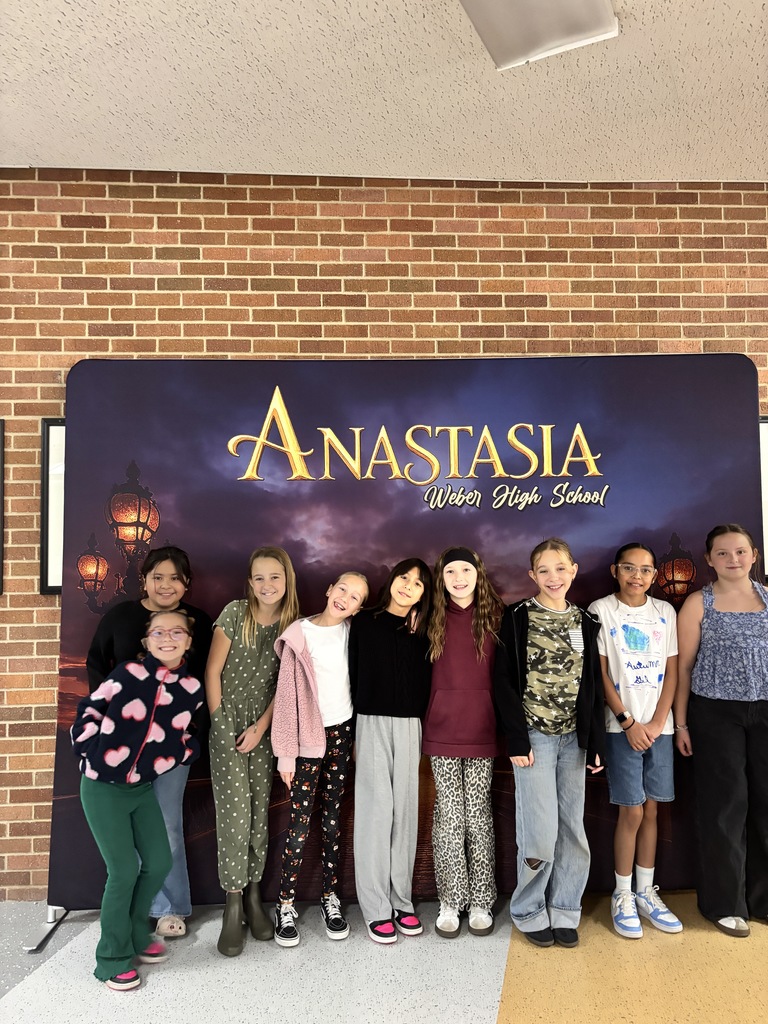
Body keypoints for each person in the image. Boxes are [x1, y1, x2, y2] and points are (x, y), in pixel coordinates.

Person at [72, 609, 204, 990]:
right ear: (146, 640)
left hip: (142, 788)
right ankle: (111, 958)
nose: (168, 637)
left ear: (188, 641)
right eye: (158, 632)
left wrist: (182, 753)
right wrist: (90, 755)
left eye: (176, 631)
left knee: (160, 861)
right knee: (124, 870)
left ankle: (135, 930)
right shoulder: (127, 674)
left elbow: (184, 736)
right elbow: (89, 713)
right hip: (102, 788)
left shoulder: (191, 689)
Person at [85, 545, 213, 939]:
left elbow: (210, 680)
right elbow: (95, 664)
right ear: (144, 580)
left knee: (167, 823)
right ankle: (139, 906)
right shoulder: (120, 618)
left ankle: (170, 908)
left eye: (175, 577)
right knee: (129, 829)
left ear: (186, 583)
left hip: (174, 747)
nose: (167, 585)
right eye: (158, 576)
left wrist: (196, 732)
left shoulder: (199, 622)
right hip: (123, 747)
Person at [494, 538, 604, 949]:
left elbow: (591, 686)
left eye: (560, 568)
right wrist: (517, 738)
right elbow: (502, 682)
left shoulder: (585, 622)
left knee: (572, 829)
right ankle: (528, 908)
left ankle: (565, 908)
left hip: (574, 739)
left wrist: (594, 744)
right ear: (532, 576)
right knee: (539, 830)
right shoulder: (518, 616)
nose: (553, 577)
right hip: (534, 739)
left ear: (573, 570)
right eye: (544, 570)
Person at [674, 523, 768, 938]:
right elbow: (683, 668)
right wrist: (680, 722)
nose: (734, 559)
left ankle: (761, 900)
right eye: (724, 553)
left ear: (754, 555)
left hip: (765, 712)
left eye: (741, 551)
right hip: (715, 714)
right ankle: (725, 905)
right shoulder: (699, 603)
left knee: (766, 806)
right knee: (725, 807)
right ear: (709, 559)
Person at [206, 545, 300, 956]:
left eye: (274, 577)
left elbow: (285, 687)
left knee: (260, 810)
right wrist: (221, 724)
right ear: (250, 582)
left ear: (286, 580)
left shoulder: (292, 624)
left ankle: (254, 897)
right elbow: (211, 671)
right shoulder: (233, 614)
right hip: (226, 723)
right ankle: (232, 902)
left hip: (266, 727)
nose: (267, 585)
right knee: (234, 815)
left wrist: (262, 727)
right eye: (259, 578)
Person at [588, 543, 682, 939]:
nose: (636, 576)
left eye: (645, 570)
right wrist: (628, 721)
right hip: (620, 728)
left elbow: (672, 670)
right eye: (629, 568)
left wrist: (659, 720)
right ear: (615, 570)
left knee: (653, 810)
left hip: (660, 727)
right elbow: (601, 674)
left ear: (655, 576)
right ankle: (622, 893)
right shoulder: (600, 610)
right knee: (631, 811)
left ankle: (646, 891)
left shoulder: (665, 612)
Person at [271, 571, 369, 947]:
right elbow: (285, 702)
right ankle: (285, 904)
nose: (346, 597)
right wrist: (286, 755)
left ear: (359, 608)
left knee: (332, 822)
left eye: (356, 597)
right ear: (329, 590)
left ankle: (331, 897)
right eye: (342, 589)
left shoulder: (351, 634)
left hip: (342, 736)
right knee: (298, 827)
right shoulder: (299, 636)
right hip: (307, 739)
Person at [422, 546, 504, 939]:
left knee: (478, 815)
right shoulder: (428, 620)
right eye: (450, 570)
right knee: (449, 817)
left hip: (483, 730)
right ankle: (451, 901)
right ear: (442, 578)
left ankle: (482, 901)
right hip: (441, 731)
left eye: (465, 570)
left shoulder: (496, 617)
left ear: (477, 573)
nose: (458, 577)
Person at [350, 558, 433, 944]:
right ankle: (376, 907)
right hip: (370, 721)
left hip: (410, 726)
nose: (408, 586)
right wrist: (351, 733)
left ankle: (402, 901)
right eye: (404, 577)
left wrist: (422, 624)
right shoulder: (364, 621)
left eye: (417, 583)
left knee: (405, 815)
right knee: (375, 813)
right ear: (392, 580)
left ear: (423, 594)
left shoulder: (426, 628)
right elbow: (351, 673)